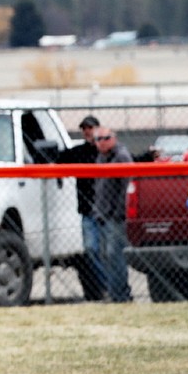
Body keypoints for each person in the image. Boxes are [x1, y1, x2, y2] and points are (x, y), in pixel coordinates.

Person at [59, 115, 105, 299]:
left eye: (91, 127)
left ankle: (114, 287)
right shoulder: (78, 152)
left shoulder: (107, 151)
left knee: (110, 252)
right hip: (88, 212)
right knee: (91, 250)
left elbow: (130, 160)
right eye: (84, 128)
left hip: (108, 212)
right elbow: (56, 159)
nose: (87, 131)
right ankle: (106, 286)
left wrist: (148, 156)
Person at [91, 126, 134, 303]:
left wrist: (118, 213)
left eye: (105, 138)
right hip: (103, 216)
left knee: (115, 255)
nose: (101, 142)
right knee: (105, 256)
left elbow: (127, 188)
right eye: (97, 139)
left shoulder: (121, 157)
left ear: (113, 138)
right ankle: (113, 292)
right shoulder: (102, 158)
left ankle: (121, 295)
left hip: (116, 218)